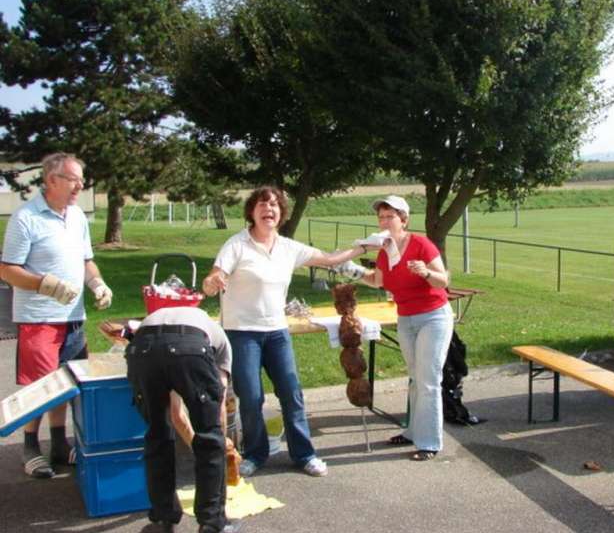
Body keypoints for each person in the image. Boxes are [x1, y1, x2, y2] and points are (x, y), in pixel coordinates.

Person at [202, 186, 367, 478]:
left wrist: (364, 248)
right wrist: (213, 282)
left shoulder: (289, 248)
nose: (270, 209)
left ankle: (304, 454)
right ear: (252, 211)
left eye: (276, 205)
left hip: (277, 332)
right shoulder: (236, 244)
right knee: (251, 398)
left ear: (281, 213)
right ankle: (254, 454)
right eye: (263, 204)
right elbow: (216, 275)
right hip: (242, 334)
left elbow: (330, 260)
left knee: (292, 393)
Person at [0, 152, 113, 479]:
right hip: (39, 319)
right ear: (51, 180)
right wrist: (44, 284)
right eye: (73, 179)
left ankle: (60, 445)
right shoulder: (25, 218)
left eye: (81, 178)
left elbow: (85, 260)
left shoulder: (76, 216)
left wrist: (97, 282)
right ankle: (31, 446)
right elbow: (7, 270)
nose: (80, 185)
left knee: (66, 384)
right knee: (40, 387)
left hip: (73, 317)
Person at [101, 307, 243, 533]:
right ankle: (212, 522)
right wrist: (220, 441)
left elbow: (174, 413)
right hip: (188, 350)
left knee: (157, 435)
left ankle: (162, 519)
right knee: (210, 438)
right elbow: (218, 406)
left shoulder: (173, 321)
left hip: (142, 350)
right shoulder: (222, 344)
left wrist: (190, 436)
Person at [359, 195, 454, 461]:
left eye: (390, 216)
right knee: (415, 377)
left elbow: (442, 280)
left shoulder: (421, 244)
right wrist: (352, 270)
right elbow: (377, 281)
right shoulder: (384, 250)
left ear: (404, 219)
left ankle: (429, 443)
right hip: (406, 319)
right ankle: (413, 431)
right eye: (381, 217)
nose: (384, 221)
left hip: (433, 317)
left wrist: (425, 272)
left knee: (429, 381)